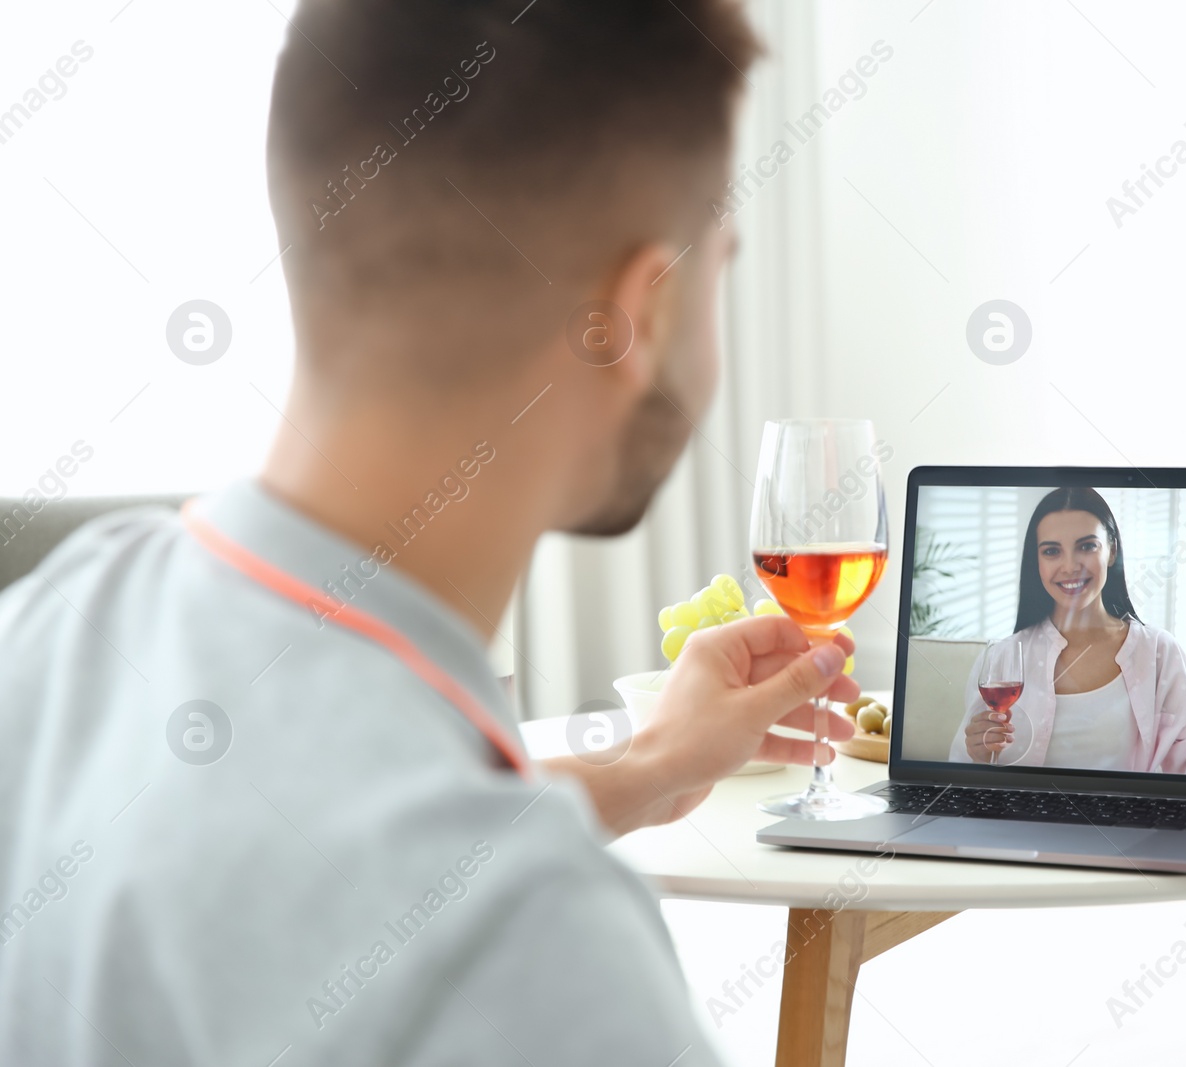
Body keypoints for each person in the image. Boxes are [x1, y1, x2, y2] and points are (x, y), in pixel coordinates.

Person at [0, 4, 856, 1064]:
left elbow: (289, 858)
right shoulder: (534, 950)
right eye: (718, 267)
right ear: (638, 312)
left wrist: (645, 765)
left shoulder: (49, 622)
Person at [949, 487, 1186, 775]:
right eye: (1052, 551)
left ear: (1112, 550)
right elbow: (962, 776)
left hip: (1124, 838)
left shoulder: (1158, 653)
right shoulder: (1002, 659)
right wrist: (978, 755)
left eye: (1087, 546)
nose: (1070, 566)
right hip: (1019, 835)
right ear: (1037, 561)